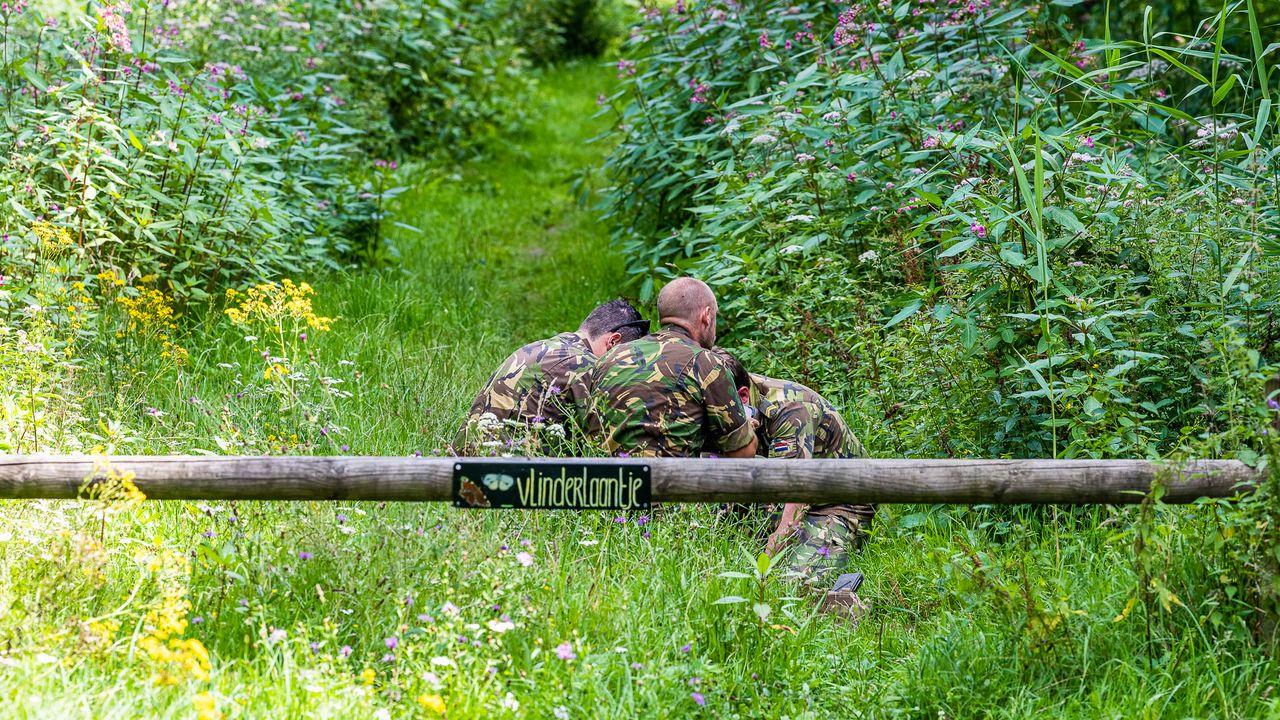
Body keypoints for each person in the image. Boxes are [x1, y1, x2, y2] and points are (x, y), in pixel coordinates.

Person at [713, 348, 871, 616]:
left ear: (742, 396)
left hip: (836, 501)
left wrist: (762, 568)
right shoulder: (717, 396)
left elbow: (793, 502)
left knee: (790, 585)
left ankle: (846, 608)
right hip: (770, 493)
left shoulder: (790, 409)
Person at [579, 277, 757, 458]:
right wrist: (747, 429)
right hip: (667, 481)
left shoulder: (611, 357)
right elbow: (743, 453)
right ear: (707, 316)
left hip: (606, 481)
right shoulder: (706, 362)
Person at [455, 299, 648, 454]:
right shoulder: (583, 365)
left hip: (466, 462)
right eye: (623, 356)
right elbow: (602, 444)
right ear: (613, 342)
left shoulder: (539, 347)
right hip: (506, 476)